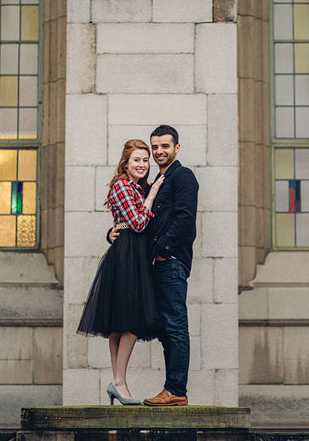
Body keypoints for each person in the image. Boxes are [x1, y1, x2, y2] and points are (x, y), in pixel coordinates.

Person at [108, 125, 199, 407]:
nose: (159, 152)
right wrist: (112, 233)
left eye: (165, 147)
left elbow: (185, 222)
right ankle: (171, 388)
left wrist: (161, 252)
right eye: (155, 147)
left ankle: (175, 390)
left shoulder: (183, 177)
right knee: (164, 328)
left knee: (174, 325)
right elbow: (136, 219)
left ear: (177, 148)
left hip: (170, 262)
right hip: (153, 264)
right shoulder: (153, 182)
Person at [77, 139, 164, 405]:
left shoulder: (136, 187)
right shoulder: (122, 186)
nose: (142, 164)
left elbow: (126, 223)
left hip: (131, 253)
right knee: (133, 322)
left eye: (145, 160)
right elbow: (138, 223)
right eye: (137, 160)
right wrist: (152, 195)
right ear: (125, 163)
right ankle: (119, 382)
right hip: (127, 256)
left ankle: (118, 382)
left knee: (120, 324)